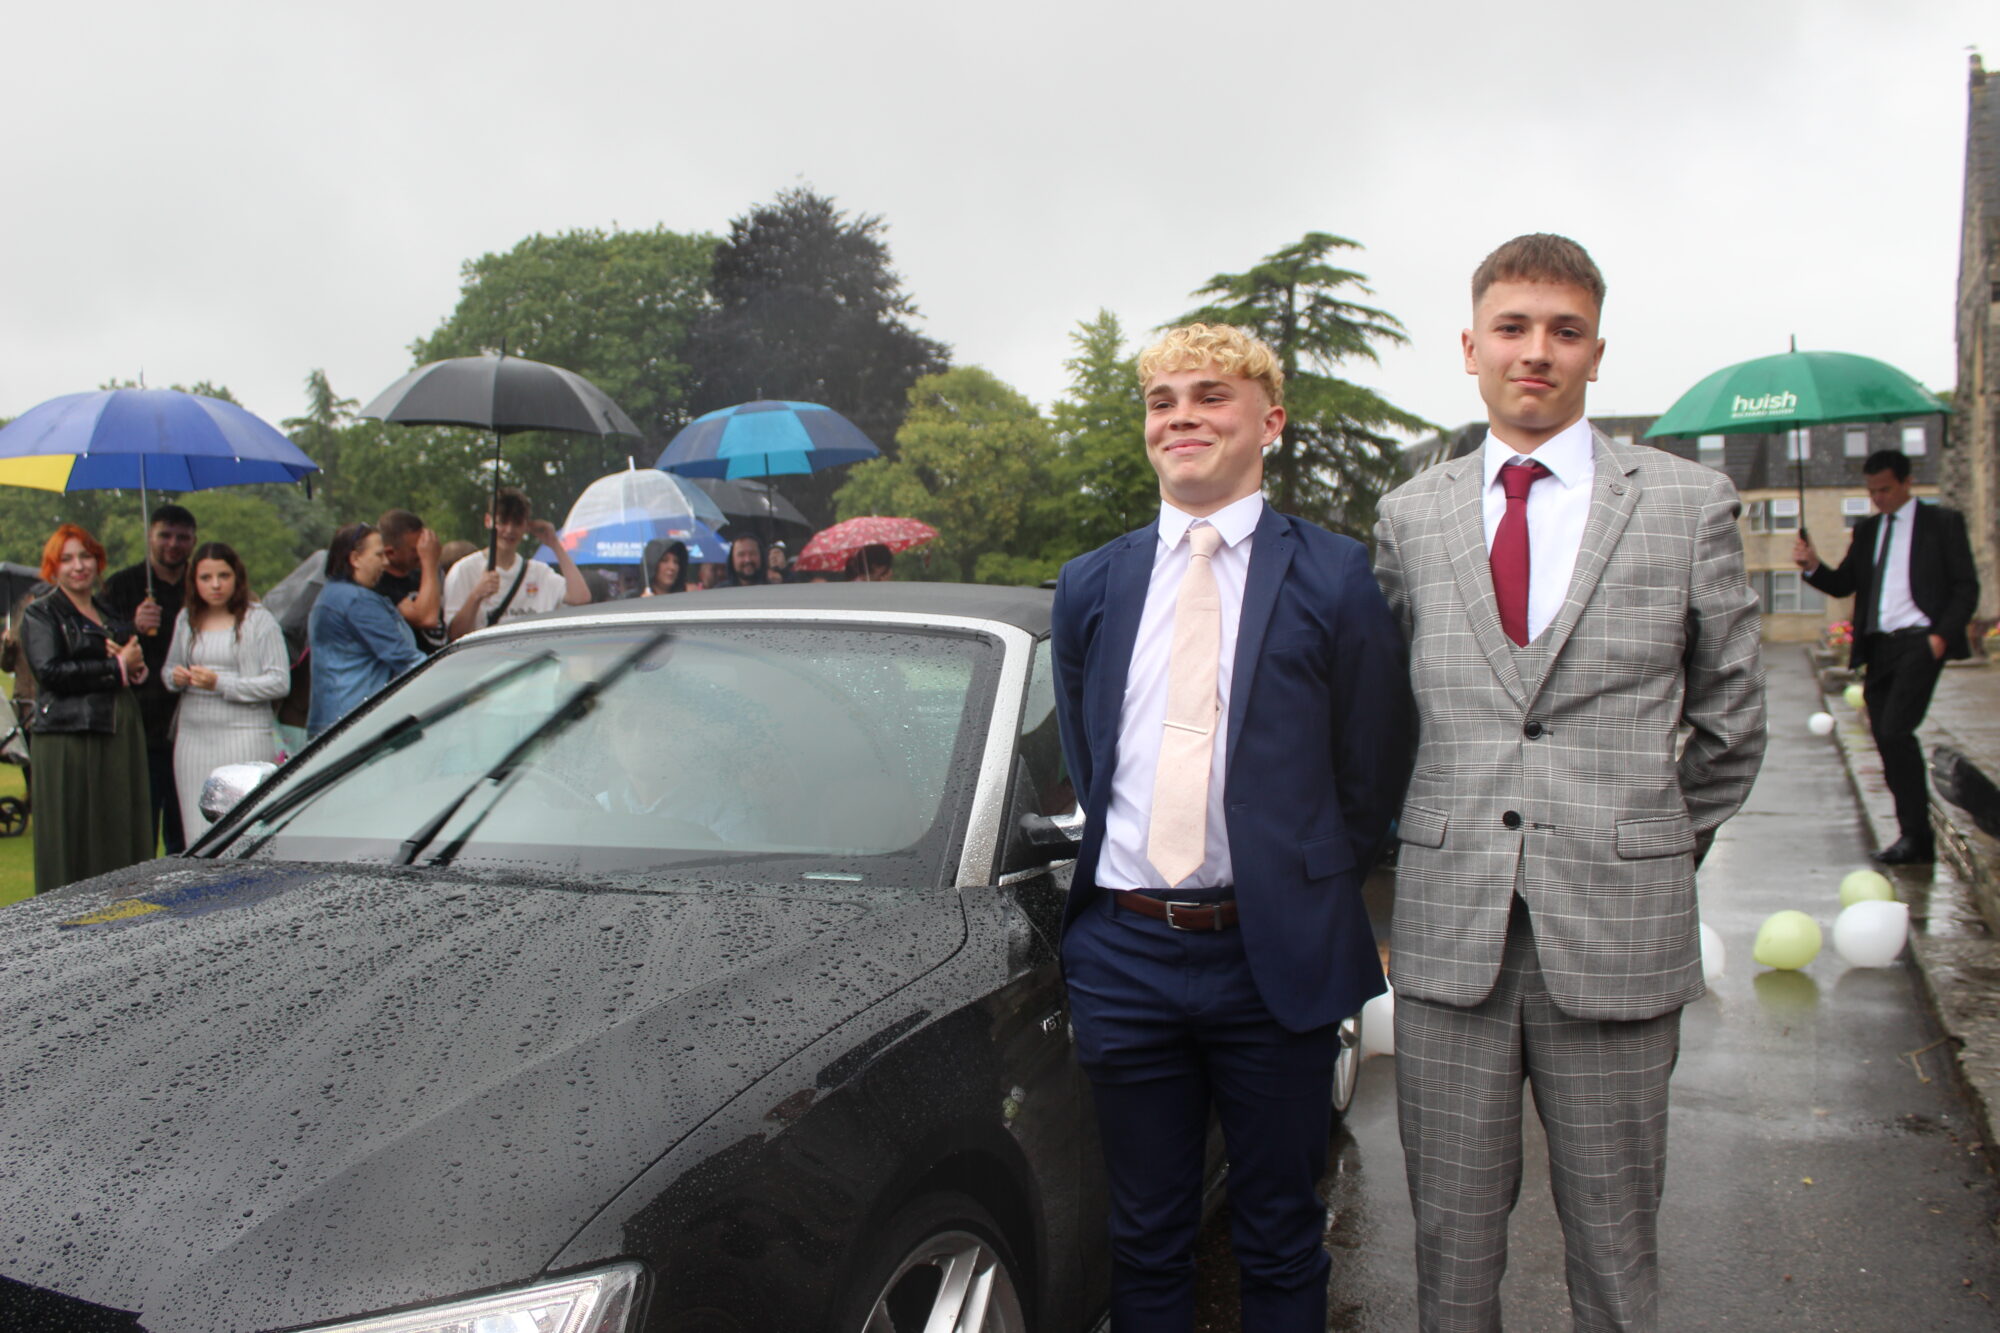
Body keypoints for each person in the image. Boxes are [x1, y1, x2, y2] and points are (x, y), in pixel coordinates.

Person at [1373, 234, 1767, 1332]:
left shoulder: (1688, 503)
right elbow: (1383, 718)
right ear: (1470, 347)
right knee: (1450, 1251)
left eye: (1563, 330)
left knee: (1614, 1247)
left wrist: (1650, 839)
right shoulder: (1411, 515)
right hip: (1451, 935)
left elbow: (1732, 717)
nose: (1535, 351)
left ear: (1596, 350)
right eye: (1511, 327)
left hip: (1618, 929)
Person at [1050, 323, 1412, 1330]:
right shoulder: (1092, 583)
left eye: (1210, 396)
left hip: (1274, 957)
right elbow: (1091, 751)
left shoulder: (1335, 575)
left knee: (1279, 1232)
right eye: (1161, 401)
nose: (1182, 417)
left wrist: (1297, 882)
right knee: (1145, 1234)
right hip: (1125, 950)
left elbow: (1370, 766)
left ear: (1270, 420)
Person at [1795, 449, 1978, 863]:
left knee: (1896, 731)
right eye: (1872, 491)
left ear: (1907, 482)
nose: (1878, 498)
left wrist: (1940, 637)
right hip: (1878, 647)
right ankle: (1913, 836)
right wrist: (1812, 565)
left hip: (1920, 642)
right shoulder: (1868, 530)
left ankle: (1916, 836)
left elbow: (1966, 587)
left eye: (1886, 490)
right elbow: (1844, 584)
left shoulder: (1942, 523)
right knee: (1885, 736)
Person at [19, 525, 152, 892]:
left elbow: (129, 662)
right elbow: (49, 673)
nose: (78, 566)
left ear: (98, 560)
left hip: (117, 731)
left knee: (117, 829)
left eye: (85, 556)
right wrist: (116, 668)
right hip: (71, 737)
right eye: (66, 559)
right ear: (53, 567)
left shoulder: (107, 611)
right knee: (75, 836)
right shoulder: (42, 613)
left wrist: (134, 667)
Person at [162, 541, 289, 838]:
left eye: (224, 576)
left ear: (237, 577)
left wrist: (220, 683)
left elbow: (279, 681)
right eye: (206, 578)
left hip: (244, 734)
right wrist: (176, 677)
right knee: (196, 828)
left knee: (243, 828)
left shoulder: (258, 620)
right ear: (194, 581)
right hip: (193, 737)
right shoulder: (186, 619)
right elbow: (168, 671)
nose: (215, 585)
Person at [103, 502, 197, 854]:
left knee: (185, 830)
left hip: (191, 722)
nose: (173, 544)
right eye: (164, 535)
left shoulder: (201, 584)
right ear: (150, 536)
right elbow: (99, 639)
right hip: (139, 724)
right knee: (139, 823)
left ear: (193, 540)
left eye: (182, 537)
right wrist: (133, 626)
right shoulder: (122, 585)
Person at [307, 524, 426, 739]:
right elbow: (405, 658)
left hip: (332, 723)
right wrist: (456, 679)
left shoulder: (331, 595)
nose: (385, 562)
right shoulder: (356, 601)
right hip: (357, 726)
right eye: (378, 555)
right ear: (355, 559)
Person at [441, 488, 590, 641]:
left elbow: (580, 597)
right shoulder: (463, 570)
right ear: (488, 521)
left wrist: (554, 544)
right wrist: (476, 595)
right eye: (503, 522)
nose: (509, 530)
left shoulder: (539, 573)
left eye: (517, 523)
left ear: (526, 526)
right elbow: (455, 635)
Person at [375, 509, 446, 653]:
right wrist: (430, 563)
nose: (423, 552)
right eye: (415, 549)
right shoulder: (381, 583)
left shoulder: (421, 575)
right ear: (390, 553)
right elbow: (427, 619)